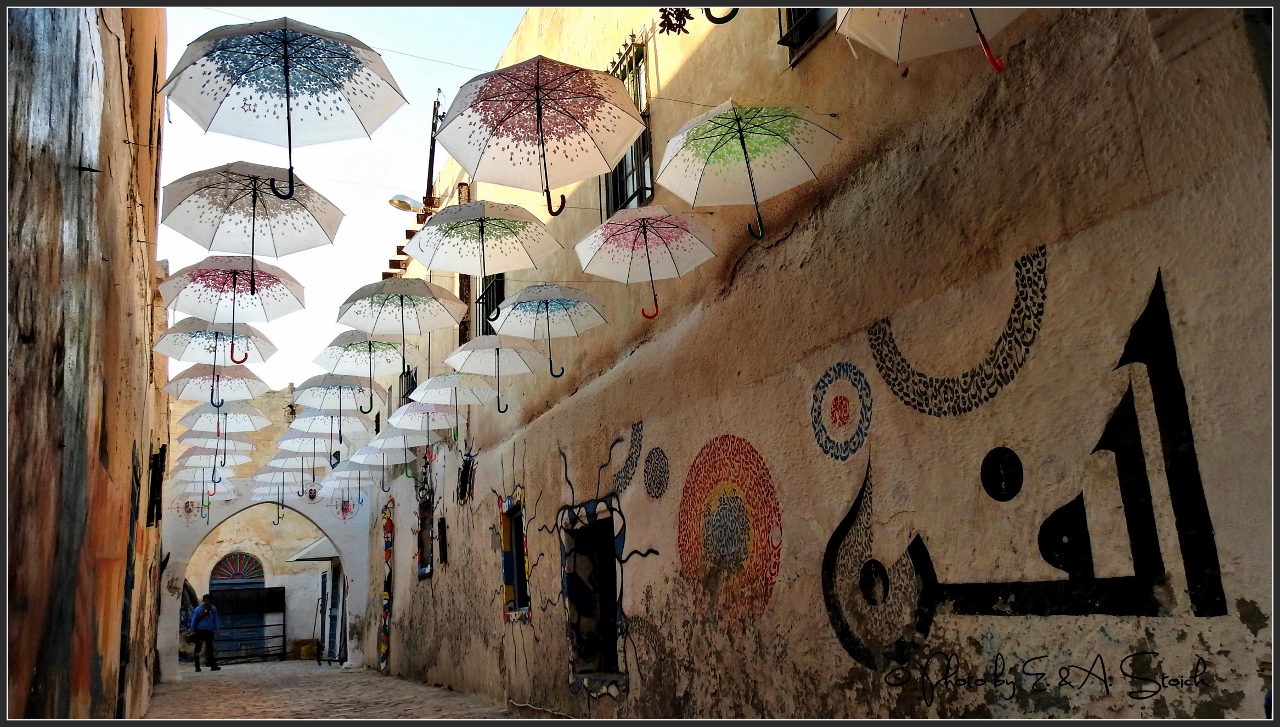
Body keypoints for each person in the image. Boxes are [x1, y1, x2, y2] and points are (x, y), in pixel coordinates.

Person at [189, 594, 221, 672]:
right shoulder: (198, 609)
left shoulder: (213, 609)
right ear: (203, 601)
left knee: (210, 648)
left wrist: (217, 629)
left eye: (209, 601)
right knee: (198, 648)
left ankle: (213, 665)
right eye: (206, 600)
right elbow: (194, 620)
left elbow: (215, 619)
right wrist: (192, 630)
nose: (207, 602)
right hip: (200, 631)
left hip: (209, 631)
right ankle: (197, 667)